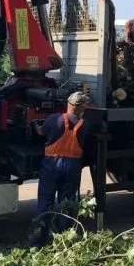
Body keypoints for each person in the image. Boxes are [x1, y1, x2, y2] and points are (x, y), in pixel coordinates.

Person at [32, 91, 91, 247]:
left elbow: (40, 132)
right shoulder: (83, 125)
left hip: (51, 164)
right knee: (65, 203)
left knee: (45, 202)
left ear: (68, 104)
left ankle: (38, 242)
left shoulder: (54, 119)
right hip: (72, 166)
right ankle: (62, 242)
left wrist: (34, 124)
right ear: (80, 108)